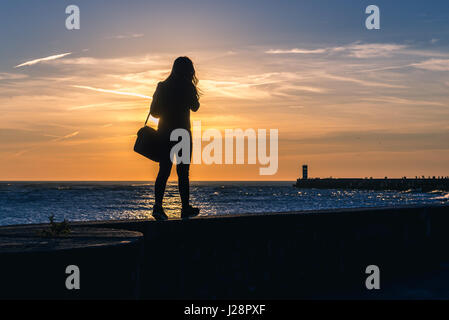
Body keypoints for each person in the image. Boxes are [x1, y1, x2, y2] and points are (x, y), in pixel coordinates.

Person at [149, 56, 200, 220]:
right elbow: (196, 107)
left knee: (163, 171)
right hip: (183, 134)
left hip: (164, 133)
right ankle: (185, 208)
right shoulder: (187, 87)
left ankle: (158, 207)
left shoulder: (162, 86)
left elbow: (155, 112)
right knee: (183, 173)